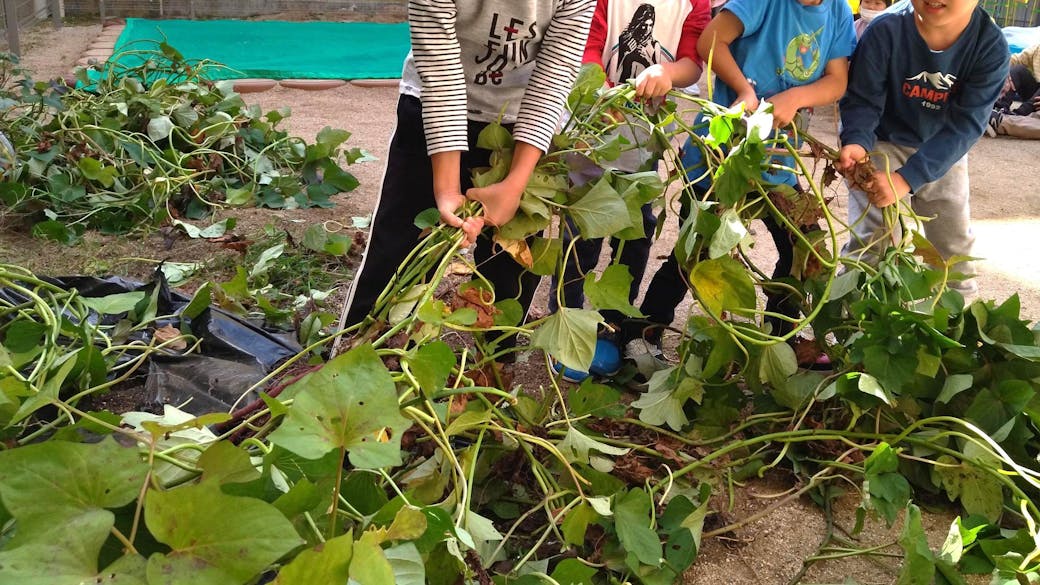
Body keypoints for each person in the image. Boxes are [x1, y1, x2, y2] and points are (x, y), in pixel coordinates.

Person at [341, 2, 596, 341]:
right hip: (433, 104)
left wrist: (515, 184)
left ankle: (492, 370)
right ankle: (355, 352)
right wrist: (446, 189)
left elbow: (555, 75)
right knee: (399, 252)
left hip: (525, 120)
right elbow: (441, 71)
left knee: (511, 272)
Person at [621, 0, 856, 368]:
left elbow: (836, 80)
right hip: (719, 160)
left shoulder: (838, 11)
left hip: (778, 164)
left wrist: (795, 97)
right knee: (696, 254)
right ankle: (643, 330)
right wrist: (744, 91)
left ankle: (781, 338)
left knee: (804, 250)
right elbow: (710, 42)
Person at [549, 0, 710, 381]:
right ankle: (568, 326)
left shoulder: (693, 3)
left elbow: (693, 60)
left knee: (634, 234)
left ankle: (611, 326)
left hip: (643, 144)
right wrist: (603, 95)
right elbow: (586, 47)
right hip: (589, 136)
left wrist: (667, 72)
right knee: (581, 237)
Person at [837, 0, 1009, 302]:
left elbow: (966, 126)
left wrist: (907, 179)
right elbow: (862, 99)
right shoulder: (884, 30)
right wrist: (856, 142)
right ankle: (854, 319)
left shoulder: (990, 46)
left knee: (952, 242)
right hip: (882, 142)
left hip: (942, 147)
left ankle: (961, 322)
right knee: (872, 237)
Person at [986, 42, 1040, 139]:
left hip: (1033, 105)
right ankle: (999, 108)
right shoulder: (1037, 49)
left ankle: (1017, 115)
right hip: (1035, 97)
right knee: (1017, 70)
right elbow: (1013, 60)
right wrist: (1005, 72)